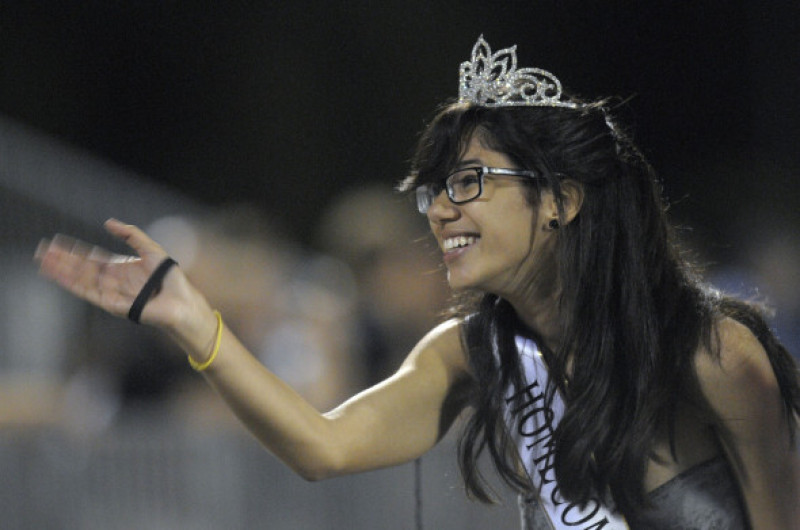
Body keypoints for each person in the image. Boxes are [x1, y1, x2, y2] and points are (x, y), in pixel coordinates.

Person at [35, 36, 800, 529]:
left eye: (469, 180)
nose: (440, 212)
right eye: (434, 191)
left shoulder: (713, 355)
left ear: (562, 200)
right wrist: (194, 324)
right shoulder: (472, 352)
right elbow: (322, 446)